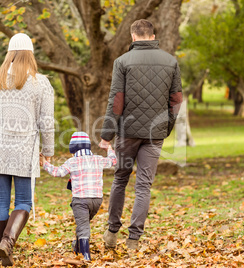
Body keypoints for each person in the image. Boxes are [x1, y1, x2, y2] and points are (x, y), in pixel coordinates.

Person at [100, 19, 183, 250]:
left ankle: (111, 232)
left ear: (133, 36)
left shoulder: (122, 61)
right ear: (152, 35)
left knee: (120, 179)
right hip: (154, 134)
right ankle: (134, 239)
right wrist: (166, 127)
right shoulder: (170, 61)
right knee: (144, 185)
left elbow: (116, 100)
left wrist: (107, 134)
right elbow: (176, 99)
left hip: (127, 133)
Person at [0, 33, 55, 266]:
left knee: (1, 202)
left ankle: (2, 252)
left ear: (9, 53)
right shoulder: (41, 84)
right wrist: (48, 150)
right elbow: (46, 121)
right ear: (30, 54)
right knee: (23, 202)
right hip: (24, 151)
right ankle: (6, 244)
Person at [41, 132, 117, 261]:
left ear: (73, 149)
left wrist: (44, 163)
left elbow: (57, 172)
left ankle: (86, 255)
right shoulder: (98, 159)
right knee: (84, 224)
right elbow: (113, 161)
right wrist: (109, 148)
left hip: (80, 200)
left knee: (83, 226)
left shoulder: (72, 161)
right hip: (97, 200)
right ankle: (77, 247)